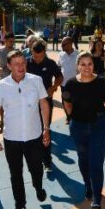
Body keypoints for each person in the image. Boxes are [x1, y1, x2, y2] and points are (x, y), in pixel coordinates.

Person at [0, 50, 50, 209]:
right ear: (8, 66)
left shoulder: (36, 81)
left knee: (36, 169)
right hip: (12, 139)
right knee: (15, 173)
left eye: (23, 63)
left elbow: (44, 103)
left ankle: (38, 187)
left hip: (34, 137)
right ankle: (20, 205)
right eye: (16, 64)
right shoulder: (2, 85)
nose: (21, 66)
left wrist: (46, 128)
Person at [63, 51, 105, 209]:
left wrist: (96, 116)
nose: (86, 67)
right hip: (78, 127)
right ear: (77, 66)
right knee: (83, 159)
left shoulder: (102, 82)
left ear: (94, 65)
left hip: (99, 127)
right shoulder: (70, 84)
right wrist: (72, 118)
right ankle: (88, 185)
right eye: (82, 64)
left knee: (96, 163)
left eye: (89, 64)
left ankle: (96, 202)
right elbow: (67, 104)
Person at [26, 39, 63, 172]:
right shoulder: (26, 63)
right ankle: (34, 158)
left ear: (44, 53)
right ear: (31, 52)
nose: (38, 59)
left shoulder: (50, 63)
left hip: (45, 103)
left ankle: (47, 161)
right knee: (31, 130)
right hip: (29, 103)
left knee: (45, 129)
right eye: (35, 56)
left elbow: (60, 77)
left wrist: (53, 87)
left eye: (40, 56)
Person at [0, 33, 16, 133]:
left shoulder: (17, 52)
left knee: (14, 104)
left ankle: (13, 122)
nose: (12, 43)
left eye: (13, 41)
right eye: (10, 41)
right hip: (3, 81)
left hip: (15, 82)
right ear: (5, 41)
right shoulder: (0, 51)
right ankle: (2, 122)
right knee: (1, 104)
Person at [57, 36, 78, 124]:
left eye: (64, 45)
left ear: (70, 44)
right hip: (64, 84)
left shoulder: (78, 54)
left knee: (76, 101)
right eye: (61, 45)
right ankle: (68, 117)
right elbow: (58, 66)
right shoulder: (61, 54)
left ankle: (76, 117)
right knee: (65, 101)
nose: (62, 47)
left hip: (76, 84)